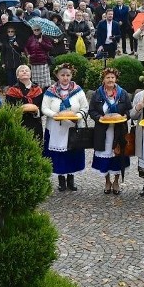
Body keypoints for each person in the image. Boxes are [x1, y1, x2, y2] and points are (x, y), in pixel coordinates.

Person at [41, 63, 88, 192]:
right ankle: (61, 180)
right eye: (62, 75)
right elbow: (44, 108)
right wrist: (54, 114)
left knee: (72, 152)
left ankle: (71, 179)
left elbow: (85, 107)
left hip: (73, 126)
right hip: (56, 127)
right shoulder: (50, 91)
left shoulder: (78, 91)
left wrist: (78, 116)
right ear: (57, 76)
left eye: (68, 75)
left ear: (71, 75)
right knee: (58, 154)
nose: (65, 78)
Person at [88, 67, 132, 195]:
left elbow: (129, 109)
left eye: (112, 77)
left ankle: (116, 181)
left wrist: (125, 116)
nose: (110, 79)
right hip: (103, 131)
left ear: (116, 79)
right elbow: (92, 111)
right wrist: (99, 118)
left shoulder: (122, 93)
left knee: (118, 154)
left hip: (119, 130)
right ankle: (107, 181)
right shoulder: (97, 93)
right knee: (105, 155)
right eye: (108, 77)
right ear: (103, 79)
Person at [4, 64, 44, 141]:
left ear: (30, 75)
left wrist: (37, 111)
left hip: (35, 123)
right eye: (22, 71)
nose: (24, 72)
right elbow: (8, 107)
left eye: (27, 70)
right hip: (19, 122)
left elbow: (43, 106)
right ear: (17, 76)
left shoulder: (38, 90)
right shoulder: (12, 91)